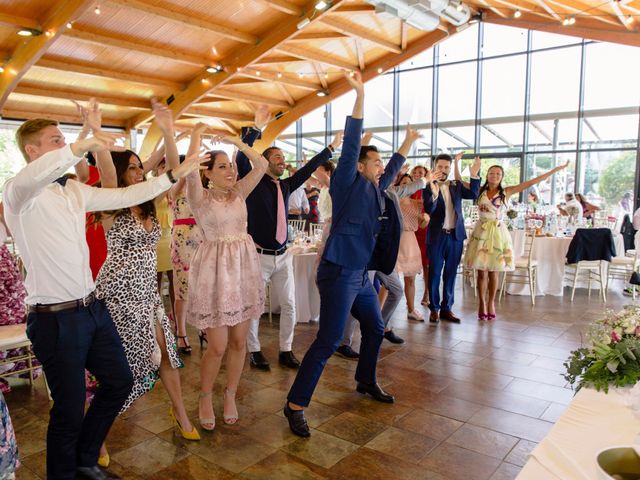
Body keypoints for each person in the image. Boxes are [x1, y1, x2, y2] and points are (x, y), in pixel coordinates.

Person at [2, 116, 207, 480]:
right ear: (32, 151)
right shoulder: (19, 193)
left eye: (62, 139)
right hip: (54, 319)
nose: (61, 146)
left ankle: (84, 460)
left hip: (92, 309)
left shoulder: (73, 191)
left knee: (120, 382)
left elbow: (128, 194)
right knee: (67, 411)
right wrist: (83, 144)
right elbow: (40, 172)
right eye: (54, 141)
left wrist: (173, 177)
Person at [284, 72, 411, 438]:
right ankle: (295, 405)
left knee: (374, 327)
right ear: (358, 165)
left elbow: (389, 175)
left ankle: (366, 379)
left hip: (361, 275)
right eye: (375, 162)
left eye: (381, 164)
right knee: (328, 339)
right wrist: (359, 97)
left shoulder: (375, 189)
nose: (380, 167)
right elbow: (353, 142)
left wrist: (406, 145)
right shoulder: (345, 182)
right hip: (339, 271)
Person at [95, 101, 199, 444]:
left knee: (167, 352)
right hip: (118, 294)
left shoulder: (151, 205)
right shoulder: (111, 205)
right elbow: (108, 174)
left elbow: (174, 169)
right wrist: (97, 139)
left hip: (148, 292)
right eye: (134, 168)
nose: (140, 173)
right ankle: (99, 434)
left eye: (142, 168)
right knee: (121, 367)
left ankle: (181, 414)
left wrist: (170, 131)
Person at [236, 106, 341, 371]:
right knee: (255, 308)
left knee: (290, 304)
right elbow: (241, 157)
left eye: (284, 157)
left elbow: (307, 169)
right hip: (258, 257)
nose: (283, 161)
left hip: (283, 255)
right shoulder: (253, 182)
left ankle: (285, 349)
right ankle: (255, 350)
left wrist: (330, 148)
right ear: (264, 161)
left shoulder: (284, 185)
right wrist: (256, 129)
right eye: (278, 157)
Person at [182, 125, 269, 431]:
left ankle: (230, 393)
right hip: (214, 274)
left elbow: (262, 165)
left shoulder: (240, 192)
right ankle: (205, 396)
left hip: (243, 271)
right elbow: (190, 166)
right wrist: (196, 138)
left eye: (230, 166)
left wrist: (237, 142)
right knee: (216, 345)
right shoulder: (199, 196)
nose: (230, 171)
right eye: (223, 167)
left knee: (238, 340)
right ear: (207, 173)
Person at [336, 168, 426, 357]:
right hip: (365, 256)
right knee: (357, 299)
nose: (381, 172)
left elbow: (407, 189)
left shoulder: (391, 192)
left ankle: (381, 327)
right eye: (376, 167)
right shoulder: (359, 193)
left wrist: (426, 180)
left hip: (383, 255)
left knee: (397, 290)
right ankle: (343, 343)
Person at [464, 162, 569, 320]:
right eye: (492, 173)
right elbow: (459, 181)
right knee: (481, 272)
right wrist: (458, 163)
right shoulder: (479, 190)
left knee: (494, 271)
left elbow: (532, 182)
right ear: (487, 175)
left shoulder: (507, 191)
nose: (495, 176)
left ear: (502, 177)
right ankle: (481, 303)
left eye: (498, 174)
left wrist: (555, 169)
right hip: (481, 231)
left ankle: (491, 302)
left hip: (498, 233)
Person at [424, 154, 481, 324]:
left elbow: (472, 193)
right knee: (434, 273)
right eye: (440, 167)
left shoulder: (456, 185)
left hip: (455, 236)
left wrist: (474, 174)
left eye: (446, 167)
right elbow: (429, 208)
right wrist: (434, 195)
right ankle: (434, 308)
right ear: (434, 167)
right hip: (437, 236)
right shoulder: (427, 186)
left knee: (451, 274)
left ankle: (446, 308)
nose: (443, 170)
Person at [0, 203, 39, 394]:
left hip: (5, 274)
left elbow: (11, 230)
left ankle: (12, 367)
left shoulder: (2, 207)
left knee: (17, 313)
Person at [395, 173, 428, 321]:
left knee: (410, 279)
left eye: (409, 183)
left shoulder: (417, 203)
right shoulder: (392, 201)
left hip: (410, 241)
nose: (406, 186)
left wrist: (426, 219)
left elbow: (421, 224)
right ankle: (382, 311)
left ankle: (411, 309)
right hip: (395, 241)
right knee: (390, 281)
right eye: (404, 183)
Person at [410, 164, 430, 307]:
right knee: (410, 264)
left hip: (425, 229)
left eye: (420, 172)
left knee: (426, 264)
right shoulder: (409, 189)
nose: (417, 174)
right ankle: (409, 297)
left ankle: (426, 293)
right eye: (415, 172)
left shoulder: (428, 190)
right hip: (412, 230)